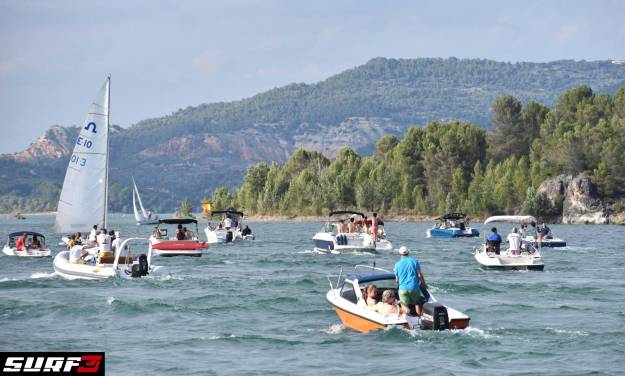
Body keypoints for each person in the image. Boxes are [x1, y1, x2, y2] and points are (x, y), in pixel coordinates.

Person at [394, 246, 427, 316]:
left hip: (403, 288)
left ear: (399, 254)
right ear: (408, 253)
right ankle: (419, 319)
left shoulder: (397, 264)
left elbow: (397, 279)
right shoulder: (415, 261)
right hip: (414, 288)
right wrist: (424, 284)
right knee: (417, 304)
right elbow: (419, 275)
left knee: (404, 306)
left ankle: (408, 321)